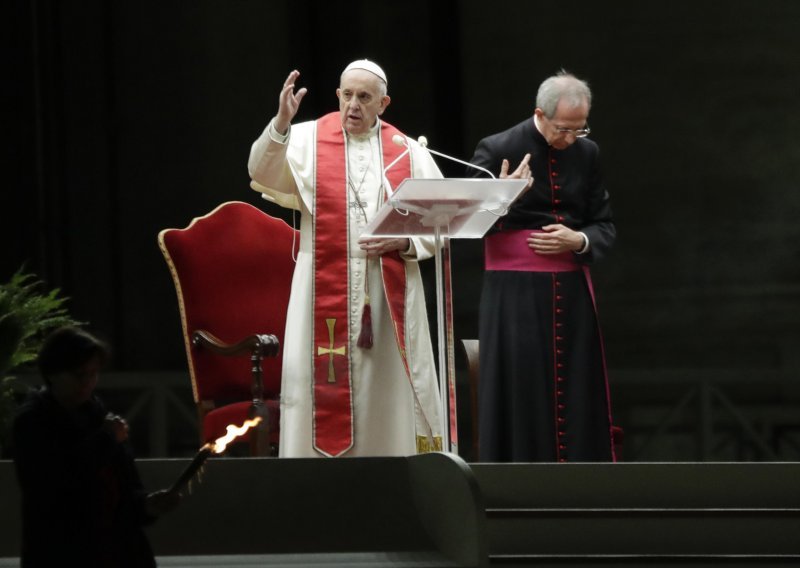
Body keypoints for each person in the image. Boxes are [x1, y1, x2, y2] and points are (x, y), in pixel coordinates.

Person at [247, 59, 443, 458]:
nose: (353, 105)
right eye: (347, 95)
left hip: (385, 298)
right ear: (337, 95)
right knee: (314, 383)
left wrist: (403, 244)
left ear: (383, 103)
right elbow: (261, 172)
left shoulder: (405, 150)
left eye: (365, 97)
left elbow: (438, 224)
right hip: (319, 287)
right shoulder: (305, 140)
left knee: (383, 393)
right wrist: (281, 123)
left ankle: (387, 480)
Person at [469, 70, 617, 463]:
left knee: (576, 389)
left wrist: (579, 240)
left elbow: (604, 224)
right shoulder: (497, 146)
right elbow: (465, 224)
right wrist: (503, 198)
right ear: (540, 114)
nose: (570, 139)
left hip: (571, 294)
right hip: (513, 295)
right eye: (563, 130)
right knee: (522, 390)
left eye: (578, 130)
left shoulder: (588, 153)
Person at [12, 326, 179, 567]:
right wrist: (106, 439)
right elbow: (55, 485)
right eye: (80, 374)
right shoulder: (33, 421)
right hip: (63, 553)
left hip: (118, 552)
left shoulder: (96, 415)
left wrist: (147, 505)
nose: (88, 382)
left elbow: (124, 485)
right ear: (53, 373)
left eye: (93, 373)